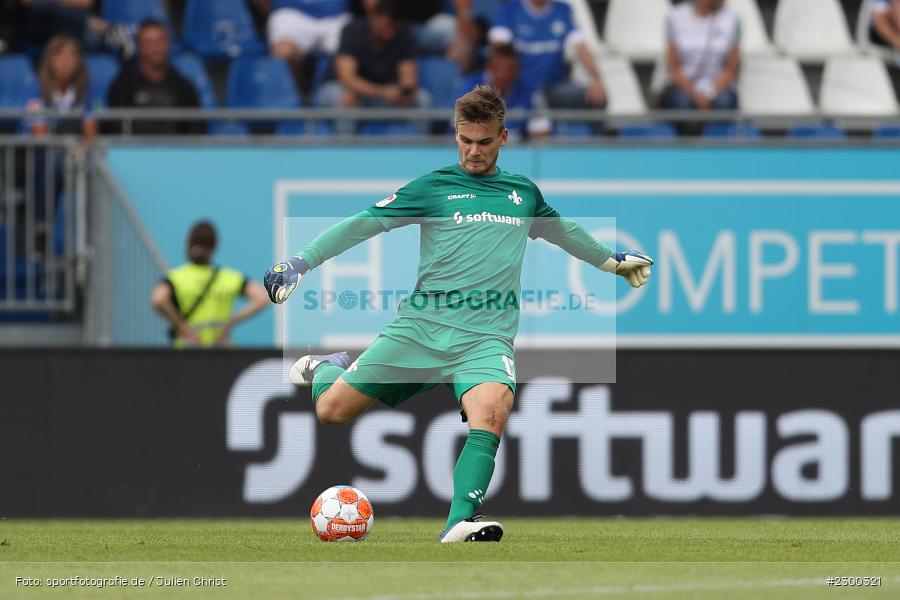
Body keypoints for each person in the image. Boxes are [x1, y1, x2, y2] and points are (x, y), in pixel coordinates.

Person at [263, 85, 653, 543]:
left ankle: (459, 522)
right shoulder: (433, 187)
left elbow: (562, 230)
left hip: (485, 340)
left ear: (503, 138)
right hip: (420, 329)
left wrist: (611, 261)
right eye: (465, 140)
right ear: (456, 135)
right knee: (331, 411)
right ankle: (328, 370)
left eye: (484, 142)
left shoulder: (522, 194)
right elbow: (362, 224)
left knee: (492, 412)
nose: (473, 151)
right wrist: (301, 262)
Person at [315, 0, 430, 132]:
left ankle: (415, 150)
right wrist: (382, 92)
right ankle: (345, 149)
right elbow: (347, 79)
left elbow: (408, 80)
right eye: (388, 25)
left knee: (422, 99)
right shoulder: (351, 31)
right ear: (374, 18)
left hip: (383, 96)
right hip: (349, 91)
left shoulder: (404, 33)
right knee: (344, 98)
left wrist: (402, 93)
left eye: (395, 25)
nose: (392, 31)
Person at [151, 221, 269, 348]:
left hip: (188, 348)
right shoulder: (229, 277)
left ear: (189, 244)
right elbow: (263, 298)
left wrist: (181, 326)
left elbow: (158, 298)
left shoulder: (176, 277)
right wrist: (231, 323)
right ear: (214, 247)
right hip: (220, 348)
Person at [487, 0, 607, 111]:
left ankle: (603, 134)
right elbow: (499, 53)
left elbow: (581, 48)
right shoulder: (509, 10)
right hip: (520, 89)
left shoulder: (563, 10)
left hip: (553, 87)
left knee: (597, 97)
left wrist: (595, 78)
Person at [107, 19, 205, 135]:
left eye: (160, 41)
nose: (156, 48)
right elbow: (118, 130)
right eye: (149, 43)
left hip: (175, 151)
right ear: (140, 47)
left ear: (168, 44)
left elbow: (195, 130)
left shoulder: (183, 87)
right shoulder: (123, 85)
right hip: (136, 151)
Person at [661, 0, 740, 112]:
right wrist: (694, 94)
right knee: (682, 102)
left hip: (718, 88)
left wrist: (709, 93)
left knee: (724, 102)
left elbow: (731, 69)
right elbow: (674, 67)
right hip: (684, 87)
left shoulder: (733, 18)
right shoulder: (674, 16)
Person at [460, 45, 550, 139]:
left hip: (518, 150)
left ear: (517, 70)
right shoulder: (469, 90)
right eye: (498, 69)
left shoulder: (531, 91)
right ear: (489, 67)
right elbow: (459, 132)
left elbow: (542, 134)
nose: (504, 75)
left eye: (510, 69)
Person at [25, 34, 97, 140]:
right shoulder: (36, 89)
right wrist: (68, 149)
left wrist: (79, 150)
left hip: (71, 151)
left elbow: (90, 132)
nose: (66, 61)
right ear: (49, 60)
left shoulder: (83, 91)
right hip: (36, 154)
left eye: (72, 55)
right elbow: (40, 134)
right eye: (59, 55)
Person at [21, 0, 134, 57]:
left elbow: (85, 3)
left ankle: (106, 36)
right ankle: (105, 32)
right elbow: (27, 2)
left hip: (72, 29)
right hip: (40, 29)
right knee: (40, 7)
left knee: (92, 37)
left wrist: (55, 3)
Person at [267, 0, 351, 66]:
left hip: (337, 16)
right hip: (292, 13)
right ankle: (295, 86)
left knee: (350, 55)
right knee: (283, 53)